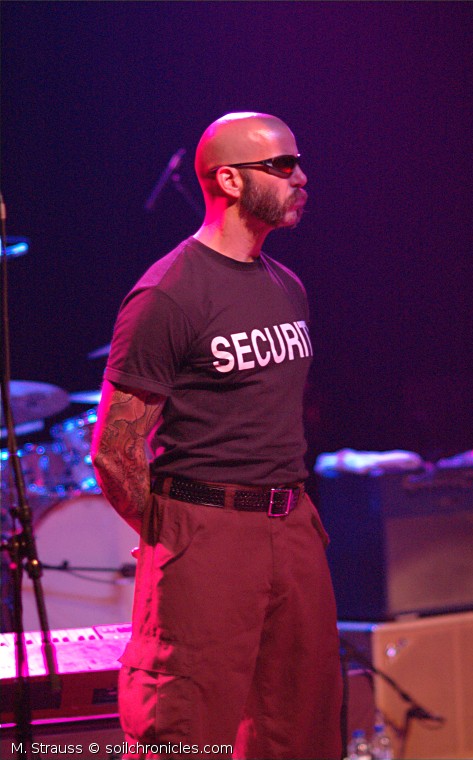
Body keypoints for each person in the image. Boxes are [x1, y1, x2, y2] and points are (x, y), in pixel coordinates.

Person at [92, 112, 343, 760]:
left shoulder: (287, 286)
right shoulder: (168, 294)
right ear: (229, 180)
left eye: (297, 163)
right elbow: (116, 449)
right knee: (185, 728)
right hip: (206, 529)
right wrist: (173, 533)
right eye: (282, 165)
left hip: (292, 525)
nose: (300, 178)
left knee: (303, 724)